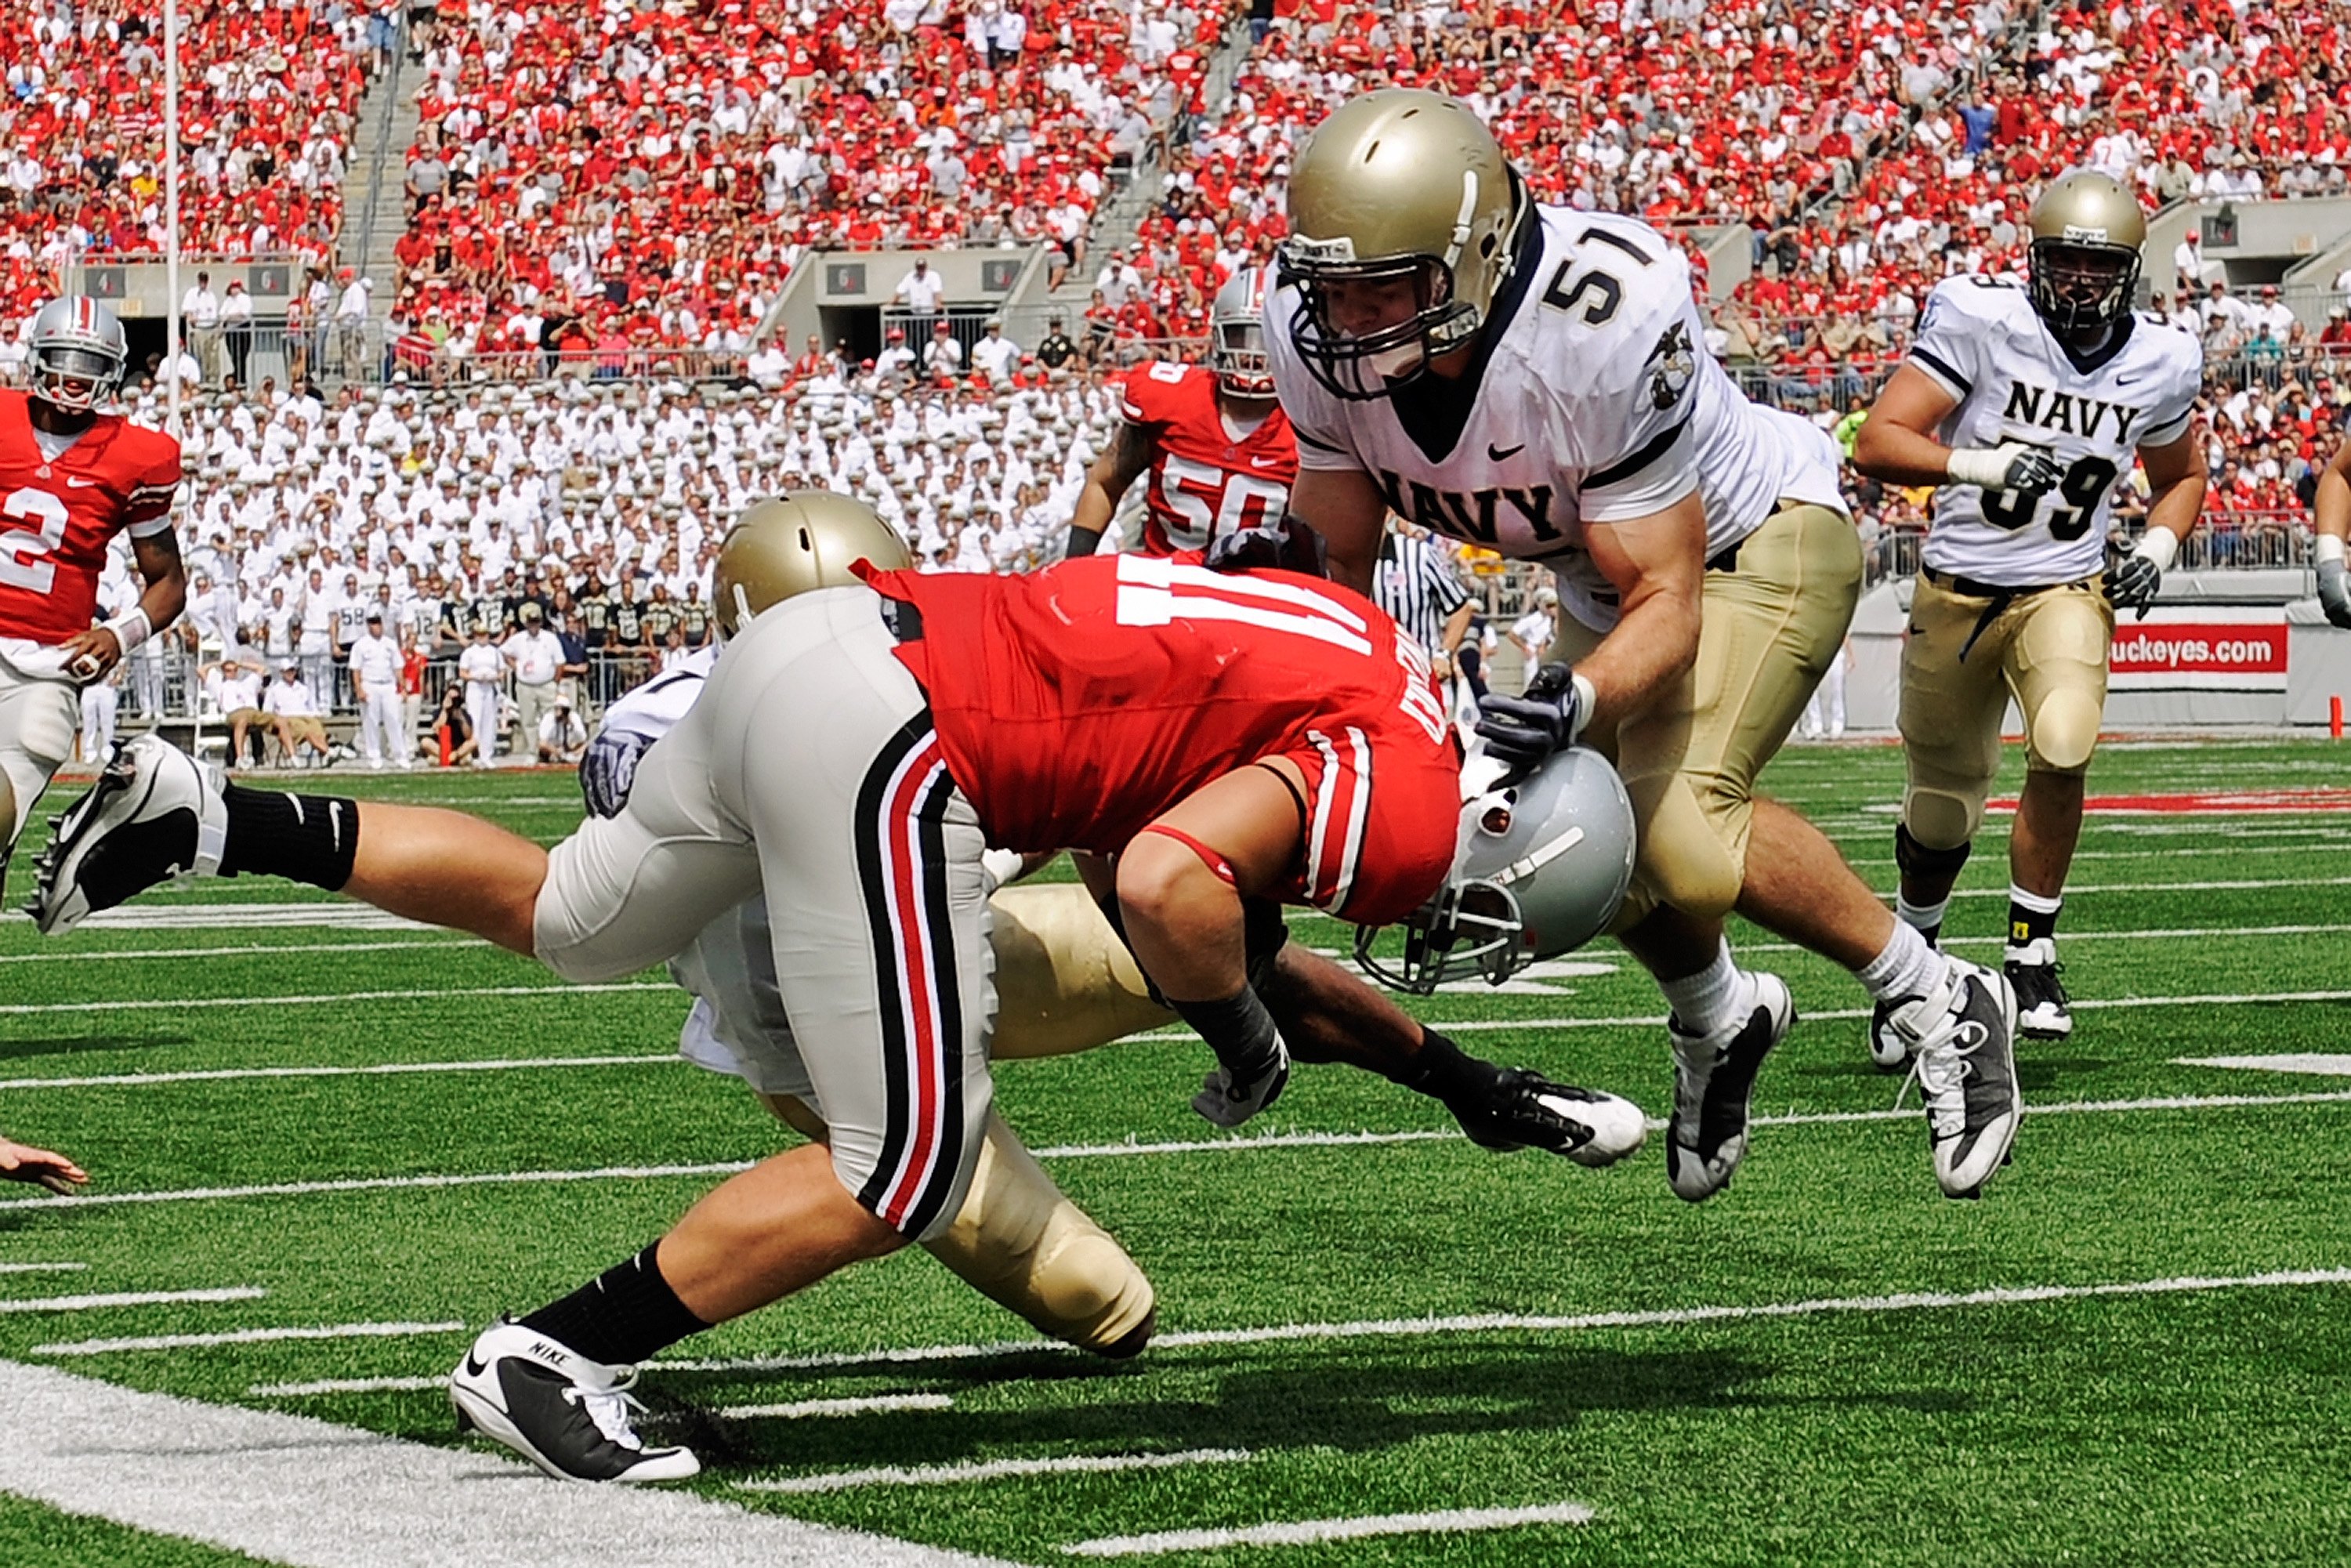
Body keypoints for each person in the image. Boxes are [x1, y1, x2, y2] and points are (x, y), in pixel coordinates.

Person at [31, 494, 1644, 1484]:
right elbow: (1171, 894)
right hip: (896, 743)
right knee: (912, 1160)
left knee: (574, 918)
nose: (1444, 912)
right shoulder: (1421, 775)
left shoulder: (1345, 638)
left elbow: (1164, 864)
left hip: (819, 663)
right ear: (1500, 821)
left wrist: (1443, 1074)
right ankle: (549, 1351)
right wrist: (1236, 1026)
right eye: (1480, 906)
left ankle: (215, 810)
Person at [1268, 89, 2021, 1200]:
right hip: (1606, 579)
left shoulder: (1601, 317)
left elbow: (1667, 595)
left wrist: (1573, 701)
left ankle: (1937, 992)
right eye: (1333, 289)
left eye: (1387, 286)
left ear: (1477, 256)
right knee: (1554, 856)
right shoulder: (1313, 341)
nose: (1354, 319)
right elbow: (1332, 573)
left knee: (1683, 836)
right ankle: (1719, 1017)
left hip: (1756, 541)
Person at [1852, 170, 2205, 1047]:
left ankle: (2031, 949)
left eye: (2100, 267)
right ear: (2034, 260)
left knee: (2066, 735)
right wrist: (1981, 465)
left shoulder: (2161, 359)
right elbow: (1881, 439)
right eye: (2064, 263)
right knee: (1941, 805)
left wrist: (2157, 549)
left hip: (2065, 585)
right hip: (1957, 588)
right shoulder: (1984, 321)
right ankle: (1916, 969)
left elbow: (2182, 476)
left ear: (2131, 271)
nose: (2081, 282)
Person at [0, 295, 184, 889]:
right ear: (37, 357)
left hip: (48, 665)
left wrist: (117, 633)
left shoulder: (137, 455)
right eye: (64, 359)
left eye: (90, 363)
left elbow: (168, 584)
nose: (75, 376)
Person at [1064, 266, 1296, 559]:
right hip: (1166, 586)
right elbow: (1104, 483)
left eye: (1265, 340)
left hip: (1257, 595)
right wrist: (1073, 566)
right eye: (1241, 337)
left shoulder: (1308, 424)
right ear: (1219, 336)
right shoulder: (1171, 399)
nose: (1252, 355)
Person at [350, 610, 408, 769]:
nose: (377, 626)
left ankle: (400, 754)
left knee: (394, 719)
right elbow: (356, 669)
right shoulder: (360, 645)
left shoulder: (390, 643)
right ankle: (374, 755)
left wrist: (402, 687)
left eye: (378, 622)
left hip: (388, 684)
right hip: (370, 683)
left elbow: (398, 667)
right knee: (371, 721)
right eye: (373, 623)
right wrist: (359, 689)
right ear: (368, 625)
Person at [503, 603, 563, 751]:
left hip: (546, 684)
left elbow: (560, 662)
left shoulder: (550, 638)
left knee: (550, 719)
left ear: (541, 623)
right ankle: (533, 751)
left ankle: (550, 751)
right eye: (531, 622)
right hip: (525, 685)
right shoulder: (518, 639)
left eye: (536, 622)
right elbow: (504, 652)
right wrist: (515, 666)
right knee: (528, 720)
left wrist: (555, 682)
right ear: (526, 623)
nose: (533, 626)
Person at [263, 659, 334, 767]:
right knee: (305, 729)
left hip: (305, 716)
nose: (290, 674)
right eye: (287, 671)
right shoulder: (274, 690)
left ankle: (325, 754)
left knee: (317, 726)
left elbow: (312, 708)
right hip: (288, 718)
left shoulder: (303, 688)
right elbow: (267, 711)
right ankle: (329, 752)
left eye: (292, 671)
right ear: (282, 672)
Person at [457, 623, 505, 766]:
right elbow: (463, 672)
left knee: (489, 721)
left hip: (489, 686)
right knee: (475, 720)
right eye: (479, 635)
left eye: (484, 635)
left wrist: (495, 677)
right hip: (475, 687)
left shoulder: (494, 652)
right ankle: (475, 752)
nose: (482, 638)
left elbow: (502, 671)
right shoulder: (469, 652)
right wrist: (476, 677)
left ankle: (487, 754)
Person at [79, 665, 119, 762]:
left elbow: (122, 662)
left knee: (108, 720)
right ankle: (89, 751)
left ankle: (108, 749)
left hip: (106, 685)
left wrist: (118, 677)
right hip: (90, 685)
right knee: (88, 720)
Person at [537, 699, 588, 763]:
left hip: (570, 749)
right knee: (543, 748)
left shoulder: (574, 718)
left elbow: (583, 739)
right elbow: (542, 743)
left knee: (586, 747)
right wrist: (556, 751)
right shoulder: (549, 718)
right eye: (557, 708)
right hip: (553, 749)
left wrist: (571, 725)